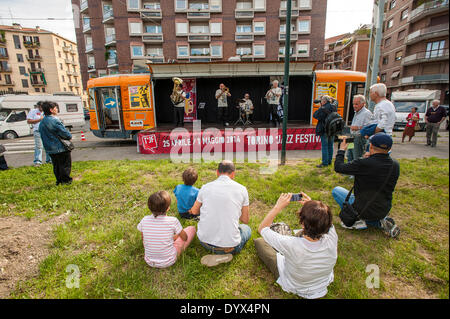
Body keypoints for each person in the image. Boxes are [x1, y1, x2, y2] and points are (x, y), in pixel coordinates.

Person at [254, 192, 338, 299]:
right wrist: (314, 208)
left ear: (302, 223)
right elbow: (325, 222)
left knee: (260, 242)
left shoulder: (291, 244)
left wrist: (277, 207)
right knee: (291, 239)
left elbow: (262, 229)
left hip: (295, 284)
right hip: (321, 282)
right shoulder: (332, 237)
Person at [333, 133, 401, 238]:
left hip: (362, 208)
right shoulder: (395, 165)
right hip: (384, 208)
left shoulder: (364, 163)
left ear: (371, 146)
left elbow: (339, 167)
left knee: (336, 190)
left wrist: (341, 150)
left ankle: (365, 221)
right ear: (390, 148)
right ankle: (379, 220)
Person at [190, 160, 250, 266]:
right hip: (229, 245)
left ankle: (218, 253)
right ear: (233, 174)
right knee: (246, 229)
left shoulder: (205, 187)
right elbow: (245, 220)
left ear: (217, 172)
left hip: (204, 242)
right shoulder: (242, 189)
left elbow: (194, 211)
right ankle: (225, 253)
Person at [137, 191, 196, 268]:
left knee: (164, 237)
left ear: (149, 207)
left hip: (149, 260)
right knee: (191, 229)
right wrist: (178, 235)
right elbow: (185, 238)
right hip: (169, 260)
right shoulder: (173, 221)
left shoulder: (144, 220)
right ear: (168, 208)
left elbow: (143, 238)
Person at [38, 101, 73, 186]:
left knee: (56, 165)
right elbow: (66, 134)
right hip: (60, 147)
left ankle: (59, 181)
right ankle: (66, 181)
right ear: (51, 110)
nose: (57, 109)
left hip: (49, 148)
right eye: (55, 108)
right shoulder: (54, 120)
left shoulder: (42, 122)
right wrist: (69, 136)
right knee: (64, 164)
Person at [348, 95, 375, 161]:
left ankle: (356, 170)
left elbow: (370, 127)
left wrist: (358, 127)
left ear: (363, 104)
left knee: (356, 158)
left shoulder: (367, 113)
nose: (354, 106)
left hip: (359, 138)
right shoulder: (356, 112)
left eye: (356, 104)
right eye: (353, 104)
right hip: (351, 137)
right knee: (349, 156)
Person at [313, 95, 337, 168]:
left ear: (324, 101)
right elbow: (336, 102)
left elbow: (315, 115)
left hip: (324, 130)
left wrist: (320, 107)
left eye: (321, 101)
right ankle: (329, 161)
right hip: (332, 129)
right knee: (330, 146)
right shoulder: (334, 106)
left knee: (325, 146)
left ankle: (324, 163)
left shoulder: (322, 108)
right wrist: (332, 99)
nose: (320, 102)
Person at [27, 101, 51, 166]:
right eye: (40, 107)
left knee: (48, 145)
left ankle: (49, 160)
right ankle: (38, 161)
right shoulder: (33, 111)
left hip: (46, 130)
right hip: (37, 130)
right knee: (39, 146)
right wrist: (40, 119)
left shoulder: (46, 111)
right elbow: (29, 121)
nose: (41, 108)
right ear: (38, 106)